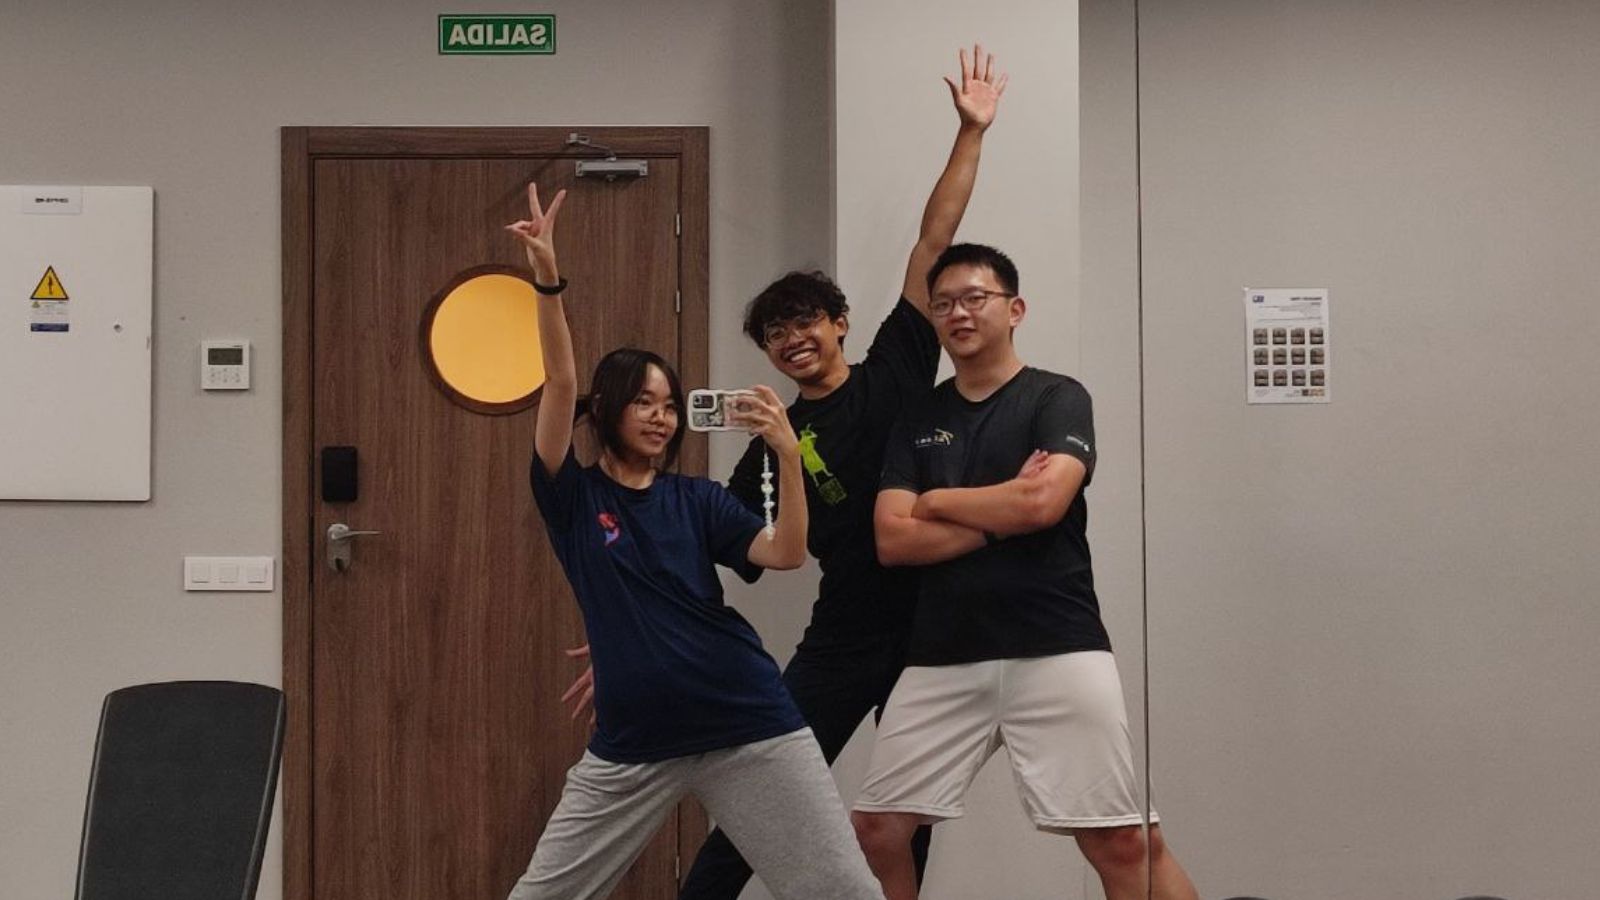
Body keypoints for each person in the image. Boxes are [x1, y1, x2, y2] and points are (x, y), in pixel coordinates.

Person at [502, 183, 884, 900]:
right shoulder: (573, 496)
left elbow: (786, 553)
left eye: (670, 404)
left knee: (845, 892)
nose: (661, 417)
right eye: (644, 401)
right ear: (610, 409)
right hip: (632, 744)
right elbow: (558, 380)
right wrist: (547, 278)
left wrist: (789, 455)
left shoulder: (699, 499)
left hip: (749, 722)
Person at [850, 243, 1199, 900]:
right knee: (877, 829)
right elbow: (893, 540)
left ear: (1014, 309)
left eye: (974, 298)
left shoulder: (1058, 398)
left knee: (1123, 841)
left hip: (1057, 642)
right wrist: (995, 512)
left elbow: (1043, 502)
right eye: (944, 302)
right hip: (943, 653)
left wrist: (939, 500)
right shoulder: (918, 417)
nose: (958, 312)